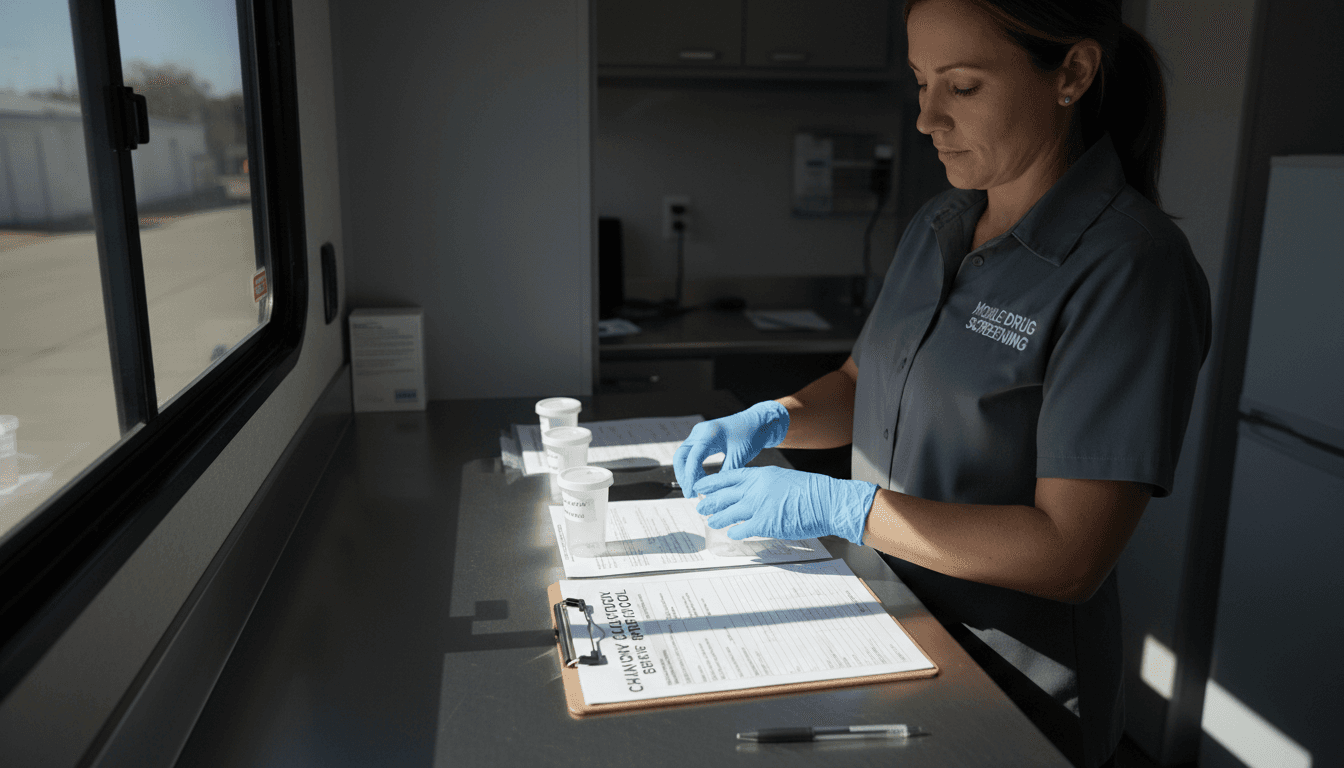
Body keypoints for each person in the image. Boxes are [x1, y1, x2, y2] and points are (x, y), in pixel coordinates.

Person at [672, 2, 1212, 767]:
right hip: (883, 630)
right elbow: (862, 383)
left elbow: (1070, 554)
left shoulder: (1130, 267)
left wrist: (839, 506)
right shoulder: (939, 223)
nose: (926, 117)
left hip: (1006, 691)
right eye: (923, 81)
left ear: (1073, 74)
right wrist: (771, 418)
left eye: (961, 87)